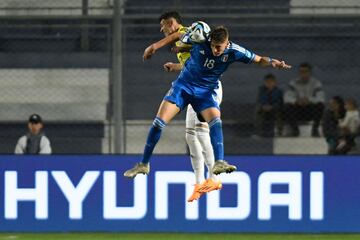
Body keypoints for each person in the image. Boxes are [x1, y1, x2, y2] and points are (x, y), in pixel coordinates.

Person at [124, 25, 291, 184]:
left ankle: (219, 162)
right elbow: (178, 35)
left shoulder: (235, 51)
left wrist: (272, 61)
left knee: (215, 121)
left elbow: (259, 59)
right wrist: (154, 46)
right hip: (183, 87)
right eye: (213, 46)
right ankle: (143, 164)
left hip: (205, 93)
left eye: (219, 47)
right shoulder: (199, 39)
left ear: (227, 43)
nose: (216, 50)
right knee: (159, 122)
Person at [142, 12, 221, 202]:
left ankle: (214, 178)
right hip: (195, 85)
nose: (162, 30)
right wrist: (176, 66)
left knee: (200, 133)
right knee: (190, 135)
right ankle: (199, 182)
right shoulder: (190, 45)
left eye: (163, 26)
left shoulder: (189, 32)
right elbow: (193, 63)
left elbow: (177, 36)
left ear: (171, 23)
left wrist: (154, 46)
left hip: (205, 88)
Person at [283, 62, 325, 137]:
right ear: (299, 73)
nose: (303, 74)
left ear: (310, 72)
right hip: (298, 110)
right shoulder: (293, 83)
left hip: (310, 110)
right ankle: (295, 130)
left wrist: (309, 100)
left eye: (306, 72)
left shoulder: (316, 83)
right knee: (287, 106)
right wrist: (297, 101)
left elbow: (321, 98)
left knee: (320, 106)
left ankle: (315, 130)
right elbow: (287, 98)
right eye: (301, 72)